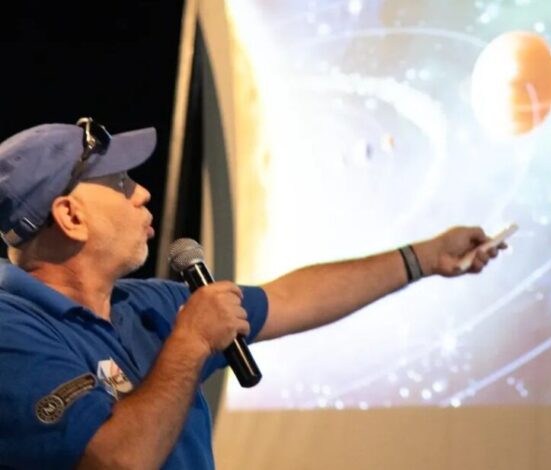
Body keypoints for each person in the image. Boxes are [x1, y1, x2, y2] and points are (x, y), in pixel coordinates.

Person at [0, 119, 504, 469]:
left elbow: (292, 299)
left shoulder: (147, 305)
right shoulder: (11, 331)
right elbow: (117, 461)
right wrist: (192, 342)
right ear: (71, 216)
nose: (142, 193)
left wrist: (423, 258)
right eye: (119, 182)